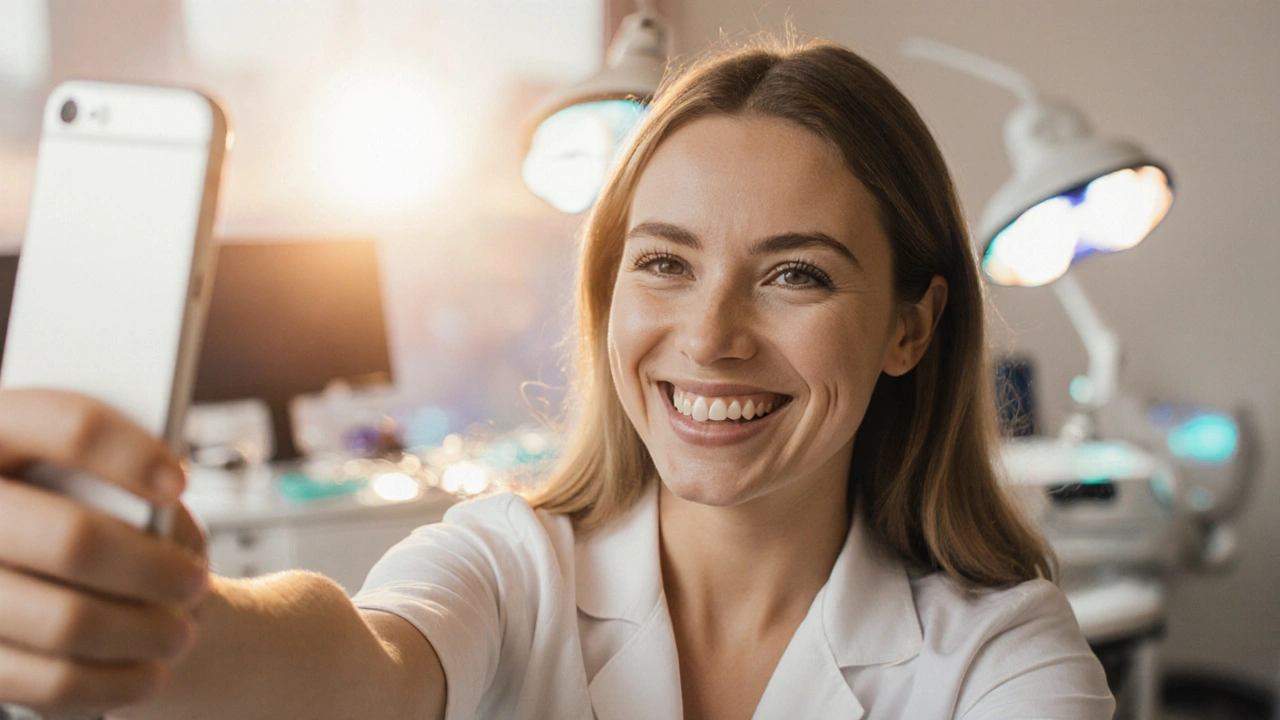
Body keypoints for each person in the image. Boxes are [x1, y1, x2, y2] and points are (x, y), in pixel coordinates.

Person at [0, 38, 1114, 720]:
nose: (708, 335)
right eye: (664, 263)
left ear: (909, 330)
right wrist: (172, 621)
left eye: (794, 275)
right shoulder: (505, 563)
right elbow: (360, 664)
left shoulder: (999, 655)